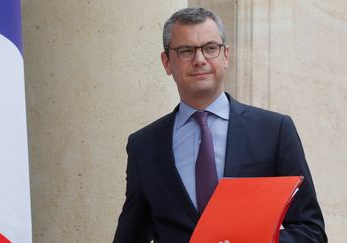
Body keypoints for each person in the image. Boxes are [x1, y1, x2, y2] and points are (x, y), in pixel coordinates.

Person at [113, 7, 327, 243]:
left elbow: (311, 231)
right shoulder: (143, 145)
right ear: (166, 62)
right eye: (186, 51)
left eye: (210, 48)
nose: (199, 60)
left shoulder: (274, 130)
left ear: (225, 55)